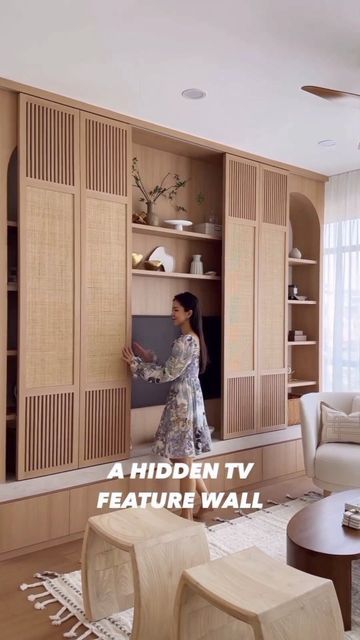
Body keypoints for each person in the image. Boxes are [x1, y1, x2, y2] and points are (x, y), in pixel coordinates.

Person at [122, 291, 212, 519]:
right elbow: (172, 367)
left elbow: (167, 374)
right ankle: (206, 499)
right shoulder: (192, 339)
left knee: (183, 458)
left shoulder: (185, 341)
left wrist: (136, 364)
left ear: (188, 313)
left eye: (176, 309)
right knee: (179, 456)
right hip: (187, 398)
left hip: (182, 402)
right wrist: (149, 357)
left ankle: (186, 514)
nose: (171, 313)